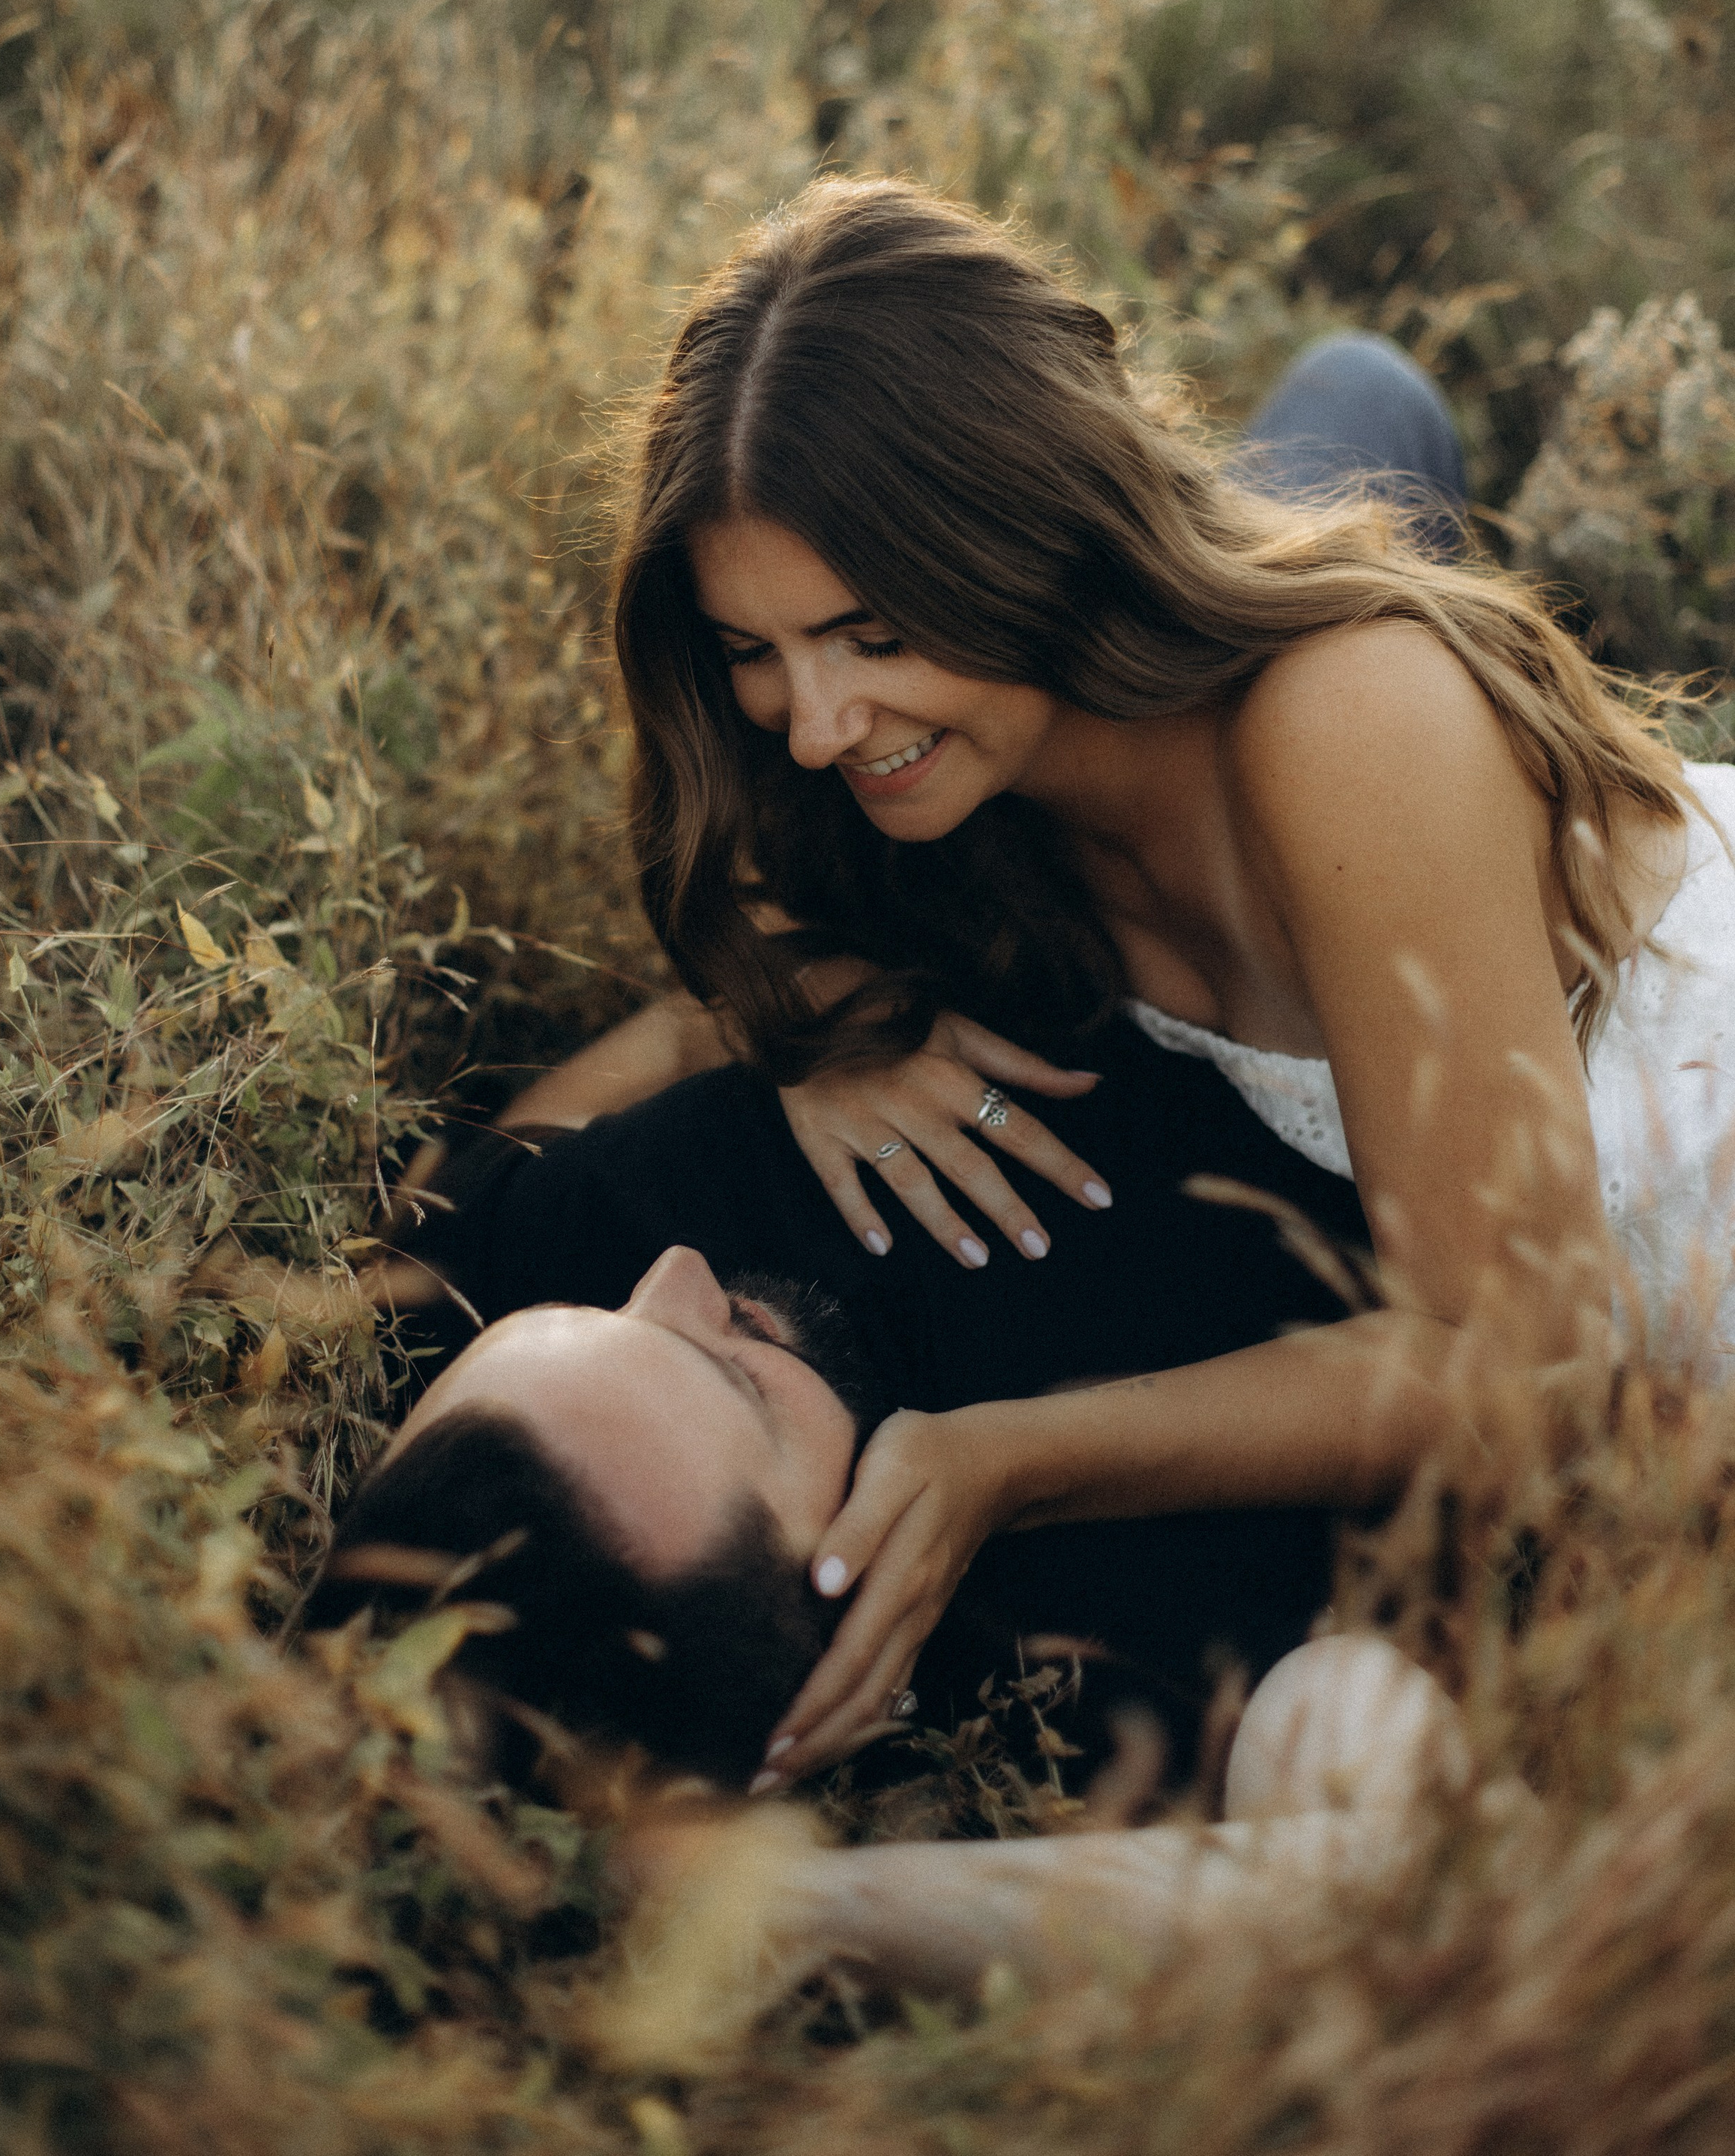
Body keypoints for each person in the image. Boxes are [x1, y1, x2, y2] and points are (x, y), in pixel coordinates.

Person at [600, 175, 1734, 1789]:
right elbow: (572, 1096)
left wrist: (1007, 1460)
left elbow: (1519, 1368)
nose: (809, 723)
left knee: (1355, 418)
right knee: (1345, 408)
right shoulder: (960, 834)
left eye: (864, 634)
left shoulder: (1345, 719)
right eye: (752, 652)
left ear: (1013, 540)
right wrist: (800, 1048)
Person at [314, 1006, 1380, 1790]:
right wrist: (1019, 1466)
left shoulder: (483, 1304)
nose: (679, 1270)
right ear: (825, 1618)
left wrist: (797, 1030)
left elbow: (662, 1049)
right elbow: (1492, 1377)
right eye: (731, 1375)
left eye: (605, 1309)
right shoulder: (1112, 1669)